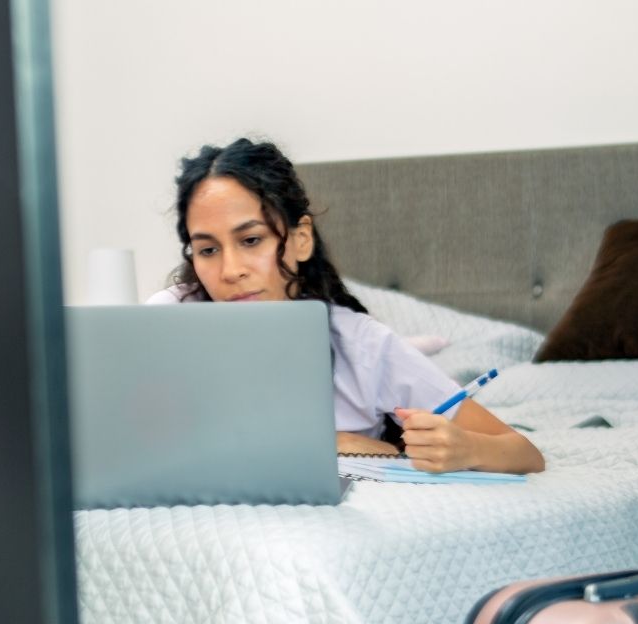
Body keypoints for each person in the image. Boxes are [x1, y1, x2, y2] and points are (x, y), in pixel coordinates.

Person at [145, 138, 544, 475]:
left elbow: (524, 452)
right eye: (208, 249)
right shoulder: (169, 321)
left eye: (251, 240)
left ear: (301, 239)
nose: (230, 271)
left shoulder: (362, 346)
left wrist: (465, 450)